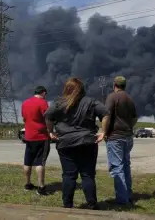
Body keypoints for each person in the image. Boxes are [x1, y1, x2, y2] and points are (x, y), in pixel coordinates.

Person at [45, 78, 110, 209]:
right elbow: (106, 114)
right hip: (87, 142)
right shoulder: (91, 102)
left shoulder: (58, 102)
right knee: (88, 175)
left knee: (69, 175)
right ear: (82, 89)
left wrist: (50, 131)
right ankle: (92, 204)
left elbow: (48, 116)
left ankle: (67, 204)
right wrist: (104, 132)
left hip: (65, 143)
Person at [104, 76, 137, 205]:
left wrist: (104, 132)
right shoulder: (129, 98)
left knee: (117, 167)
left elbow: (106, 116)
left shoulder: (112, 97)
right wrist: (128, 127)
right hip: (128, 136)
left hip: (115, 137)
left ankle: (122, 200)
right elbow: (135, 118)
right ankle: (127, 194)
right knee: (126, 166)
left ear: (115, 85)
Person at [21, 86, 50, 195]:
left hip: (29, 136)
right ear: (43, 93)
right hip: (41, 136)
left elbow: (24, 118)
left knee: (27, 161)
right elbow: (48, 118)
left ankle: (28, 184)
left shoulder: (25, 103)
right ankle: (41, 187)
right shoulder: (43, 103)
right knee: (40, 162)